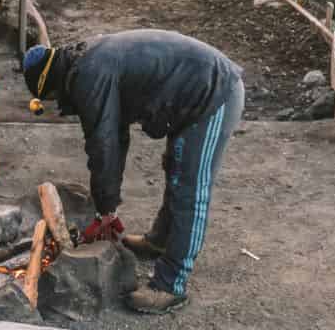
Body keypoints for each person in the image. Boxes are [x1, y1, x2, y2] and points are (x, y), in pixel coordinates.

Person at [23, 28, 244, 314]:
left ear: (50, 85)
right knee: (176, 171)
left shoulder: (88, 76)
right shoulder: (84, 62)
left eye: (49, 99)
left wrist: (105, 211)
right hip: (190, 91)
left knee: (190, 189)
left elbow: (104, 144)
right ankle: (160, 242)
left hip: (213, 93)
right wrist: (108, 205)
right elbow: (114, 132)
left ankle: (170, 286)